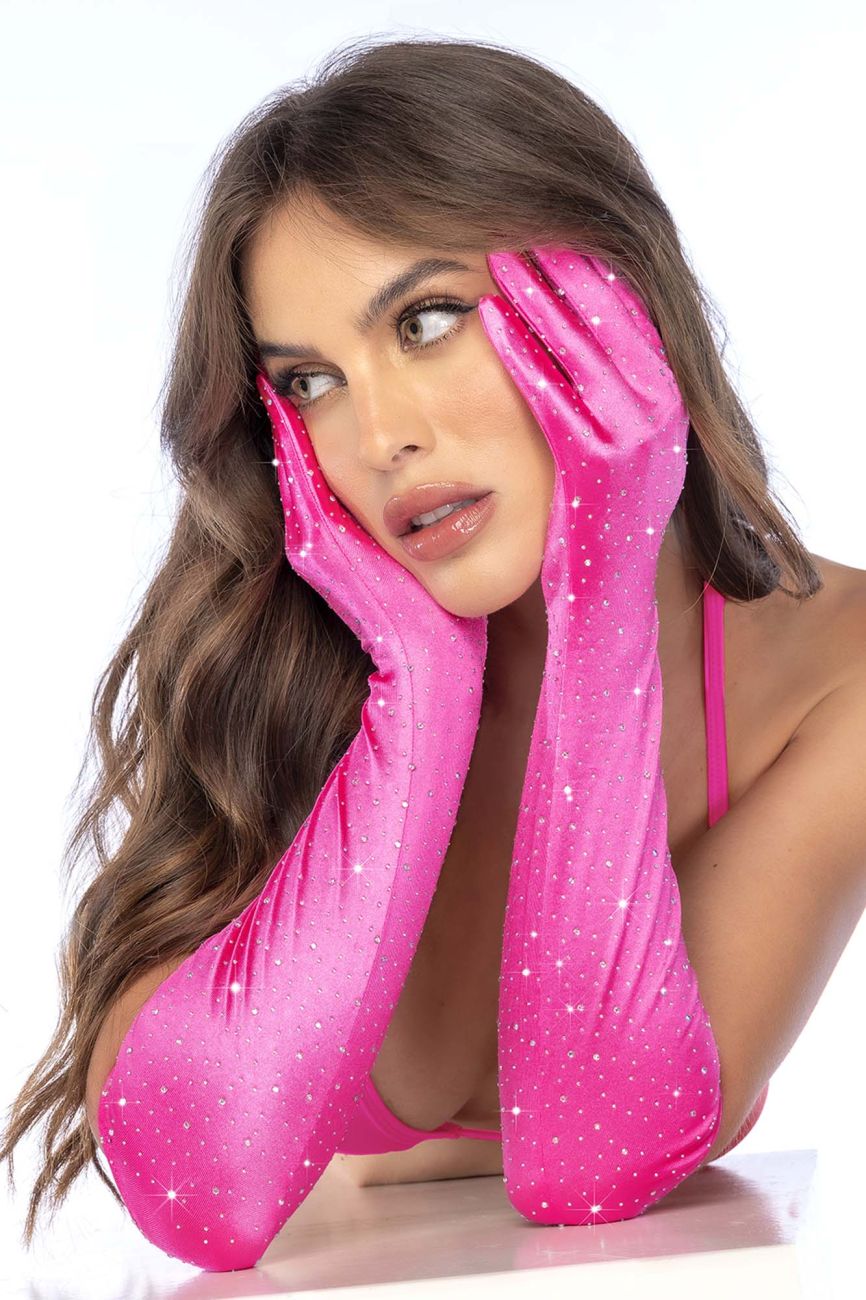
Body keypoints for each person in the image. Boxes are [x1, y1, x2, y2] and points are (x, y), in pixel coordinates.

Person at [3, 35, 866, 1274]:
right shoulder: (266, 670)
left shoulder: (840, 673)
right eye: (310, 382)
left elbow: (589, 1159)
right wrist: (419, 688)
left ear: (616, 297)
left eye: (426, 320)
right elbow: (204, 1190)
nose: (378, 437)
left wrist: (602, 594)